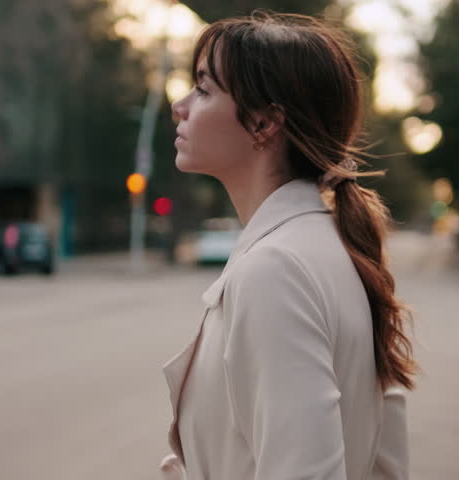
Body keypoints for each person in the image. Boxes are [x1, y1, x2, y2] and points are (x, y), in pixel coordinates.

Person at [160, 12, 417, 480]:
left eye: (202, 89)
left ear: (264, 123)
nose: (180, 106)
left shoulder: (276, 270)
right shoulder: (329, 248)